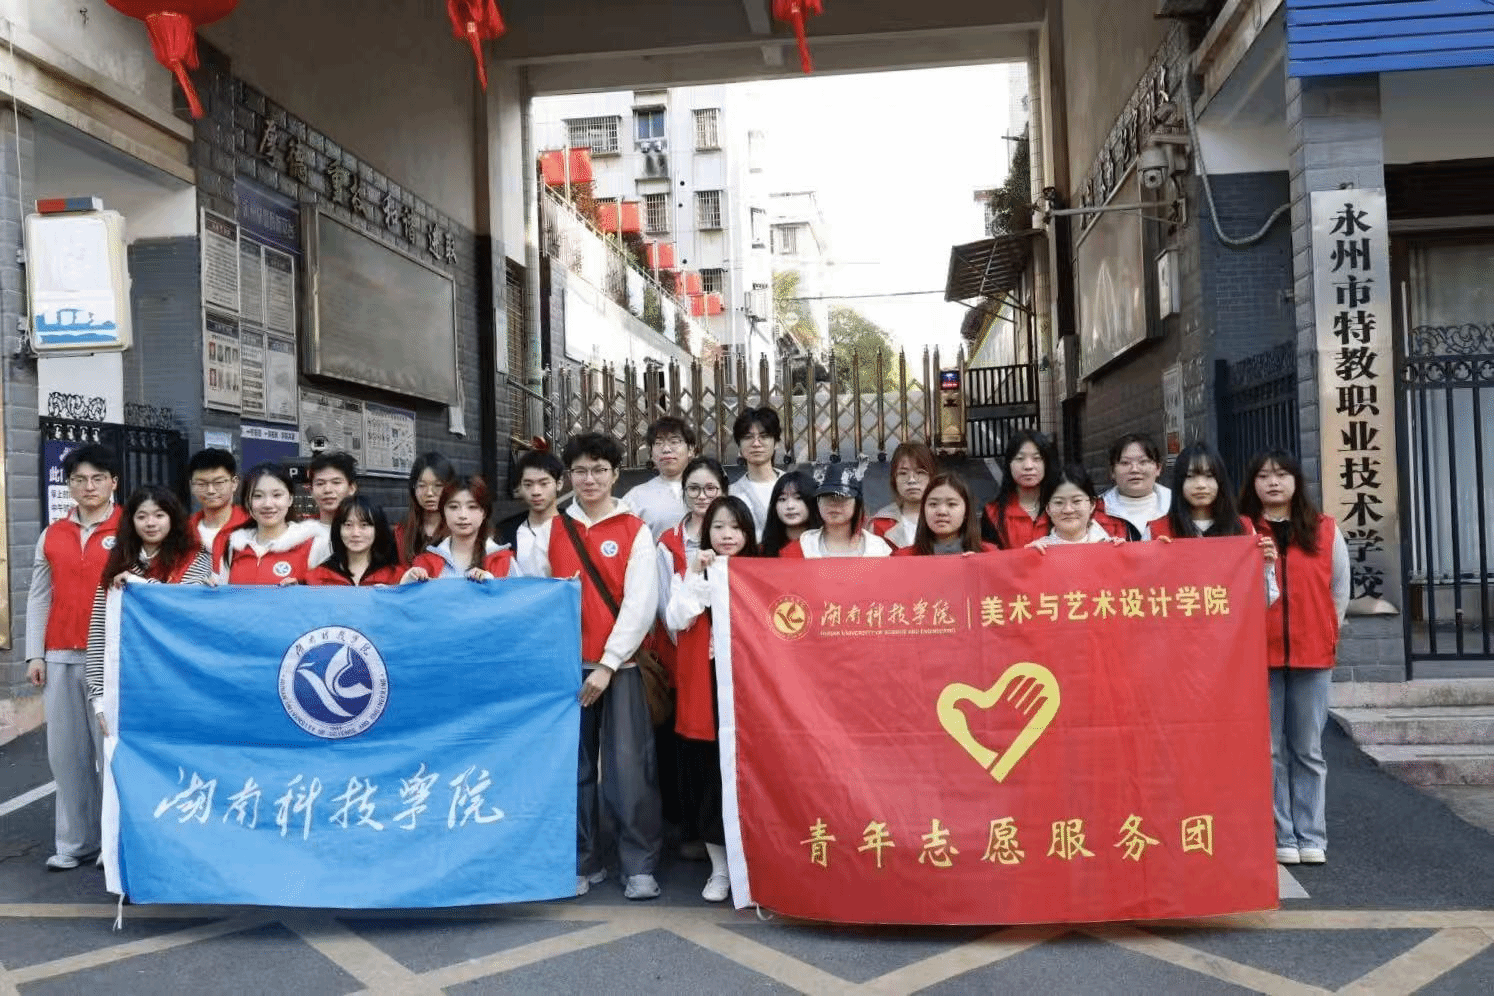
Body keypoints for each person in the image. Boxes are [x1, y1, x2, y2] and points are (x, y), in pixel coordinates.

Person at [548, 432, 662, 900]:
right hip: (565, 670)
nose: (589, 479)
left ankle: (638, 864)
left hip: (622, 667)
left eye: (599, 470)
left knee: (629, 768)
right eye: (580, 471)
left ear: (616, 474)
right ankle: (582, 858)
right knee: (572, 770)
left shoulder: (634, 530)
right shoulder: (552, 529)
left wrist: (608, 663)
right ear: (568, 477)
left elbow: (641, 605)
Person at [1239, 449, 1350, 867]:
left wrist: (1326, 632)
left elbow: (1340, 590)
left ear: (1296, 481)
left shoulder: (1324, 529)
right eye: (1264, 476)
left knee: (1308, 750)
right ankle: (1282, 833)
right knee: (1268, 750)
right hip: (1259, 655)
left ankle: (1312, 835)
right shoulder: (1243, 530)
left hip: (1312, 654)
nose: (1273, 482)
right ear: (1252, 484)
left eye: (1282, 474)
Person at [25, 444, 121, 871]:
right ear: (69, 485)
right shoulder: (53, 534)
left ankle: (112, 843)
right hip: (60, 655)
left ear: (113, 482)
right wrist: (35, 654)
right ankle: (75, 843)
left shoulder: (130, 528)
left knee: (110, 754)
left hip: (110, 658)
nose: (89, 486)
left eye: (98, 478)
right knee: (66, 757)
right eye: (79, 479)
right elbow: (38, 597)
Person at [664, 495, 759, 902]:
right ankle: (720, 871)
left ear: (748, 533)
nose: (726, 535)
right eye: (718, 527)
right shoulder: (690, 572)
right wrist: (697, 576)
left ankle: (754, 868)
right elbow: (676, 617)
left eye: (735, 527)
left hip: (753, 693)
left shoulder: (763, 572)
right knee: (709, 781)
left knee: (752, 780)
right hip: (706, 691)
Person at [84, 487, 216, 729]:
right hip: (132, 680)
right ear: (131, 521)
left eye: (159, 515)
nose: (150, 523)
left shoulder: (196, 557)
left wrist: (139, 584)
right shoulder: (119, 561)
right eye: (142, 516)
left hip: (184, 679)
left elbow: (181, 603)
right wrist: (99, 697)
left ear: (172, 518)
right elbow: (100, 629)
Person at [223, 463, 329, 585]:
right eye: (258, 496)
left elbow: (328, 591)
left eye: (277, 495)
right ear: (247, 502)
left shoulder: (314, 545)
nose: (268, 504)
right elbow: (222, 591)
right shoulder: (234, 545)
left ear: (290, 499)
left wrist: (301, 588)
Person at [400, 476, 514, 581]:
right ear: (443, 512)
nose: (463, 515)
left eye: (472, 507)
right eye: (454, 507)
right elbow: (411, 596)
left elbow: (518, 595)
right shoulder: (426, 562)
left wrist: (494, 585)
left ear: (484, 513)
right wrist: (408, 581)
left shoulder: (503, 560)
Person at [779, 460, 893, 558]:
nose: (833, 503)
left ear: (857, 503)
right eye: (826, 496)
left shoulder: (879, 550)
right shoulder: (798, 550)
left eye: (842, 497)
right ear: (817, 502)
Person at [981, 430, 1059, 549]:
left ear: (1046, 464)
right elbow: (988, 556)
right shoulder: (993, 513)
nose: (1028, 466)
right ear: (1009, 464)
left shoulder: (1063, 508)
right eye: (1020, 458)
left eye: (1036, 458)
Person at [621, 417, 696, 542]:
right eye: (658, 443)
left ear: (691, 449)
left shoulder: (710, 490)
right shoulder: (635, 497)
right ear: (651, 453)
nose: (666, 449)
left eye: (674, 442)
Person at [495, 449, 565, 579]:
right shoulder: (504, 532)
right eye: (528, 484)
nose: (536, 491)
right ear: (519, 487)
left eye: (543, 483)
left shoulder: (576, 527)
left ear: (559, 484)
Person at [308, 495, 405, 586]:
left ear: (378, 529)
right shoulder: (318, 576)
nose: (355, 533)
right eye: (348, 525)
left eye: (364, 525)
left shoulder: (396, 576)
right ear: (338, 529)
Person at [1028, 464, 1129, 549]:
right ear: (1048, 508)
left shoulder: (1110, 545)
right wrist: (1030, 557)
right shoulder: (1040, 549)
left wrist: (1120, 552)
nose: (1068, 510)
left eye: (1076, 501)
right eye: (1059, 502)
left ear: (1092, 505)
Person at [895, 472, 996, 556]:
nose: (941, 512)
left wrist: (980, 566)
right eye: (933, 504)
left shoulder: (990, 554)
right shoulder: (903, 558)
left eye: (951, 504)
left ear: (967, 511)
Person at [1097, 433, 1172, 539]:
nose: (1134, 469)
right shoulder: (1094, 512)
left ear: (1158, 468)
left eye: (1143, 462)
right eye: (1125, 463)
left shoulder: (1177, 506)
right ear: (1112, 471)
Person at [186, 447, 250, 567]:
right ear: (192, 486)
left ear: (234, 483)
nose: (210, 490)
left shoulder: (251, 525)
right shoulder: (184, 529)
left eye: (218, 483)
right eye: (201, 484)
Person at [728, 406, 784, 538]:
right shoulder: (730, 493)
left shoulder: (792, 485)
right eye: (748, 437)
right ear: (739, 445)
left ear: (776, 442)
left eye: (764, 436)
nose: (756, 444)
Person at [870, 441, 935, 548]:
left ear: (933, 477)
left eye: (920, 472)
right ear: (894, 479)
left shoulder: (949, 519)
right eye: (903, 473)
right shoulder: (880, 524)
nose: (911, 480)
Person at [395, 451, 456, 565]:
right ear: (413, 488)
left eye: (438, 485)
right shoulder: (402, 532)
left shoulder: (460, 528)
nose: (429, 493)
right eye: (422, 485)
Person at [760, 470, 821, 557]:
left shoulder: (827, 546)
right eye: (782, 499)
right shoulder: (761, 551)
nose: (790, 506)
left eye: (798, 498)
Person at [307, 450, 359, 529]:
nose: (327, 490)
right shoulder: (300, 533)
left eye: (336, 482)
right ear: (311, 490)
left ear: (351, 488)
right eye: (320, 483)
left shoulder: (367, 532)